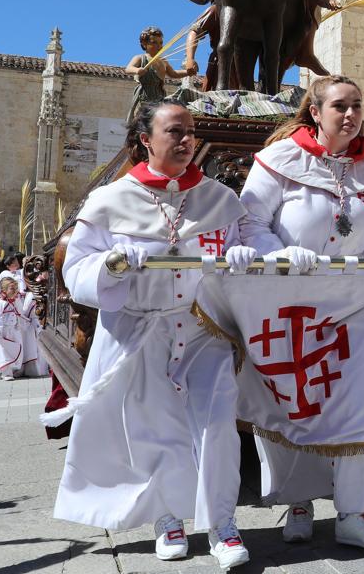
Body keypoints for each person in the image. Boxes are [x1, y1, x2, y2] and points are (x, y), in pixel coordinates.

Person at [49, 100, 253, 569]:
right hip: (143, 329)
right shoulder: (110, 199)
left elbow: (247, 243)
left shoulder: (219, 198)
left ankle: (223, 524)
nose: (187, 141)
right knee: (157, 427)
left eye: (191, 132)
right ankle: (169, 517)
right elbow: (77, 268)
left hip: (204, 326)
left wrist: (246, 255)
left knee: (217, 422)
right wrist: (112, 264)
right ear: (146, 139)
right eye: (175, 132)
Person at [237, 75, 364, 549]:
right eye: (340, 105)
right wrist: (276, 254)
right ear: (315, 112)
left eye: (357, 105)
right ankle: (299, 502)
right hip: (292, 304)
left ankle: (353, 513)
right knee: (297, 401)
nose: (351, 114)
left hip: (357, 303)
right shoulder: (279, 159)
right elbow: (250, 223)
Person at [124, 27, 198, 123]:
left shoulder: (163, 61)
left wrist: (187, 73)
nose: (159, 46)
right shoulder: (140, 58)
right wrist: (137, 70)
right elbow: (128, 69)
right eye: (154, 42)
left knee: (158, 121)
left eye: (160, 43)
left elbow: (173, 74)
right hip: (144, 97)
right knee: (144, 121)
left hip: (159, 97)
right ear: (144, 44)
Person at [0, 276, 33, 381]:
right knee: (4, 351)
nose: (15, 291)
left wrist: (23, 323)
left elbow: (19, 313)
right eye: (12, 288)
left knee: (14, 350)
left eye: (16, 288)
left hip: (14, 330)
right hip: (4, 332)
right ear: (4, 290)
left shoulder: (16, 301)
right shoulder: (0, 304)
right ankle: (7, 373)